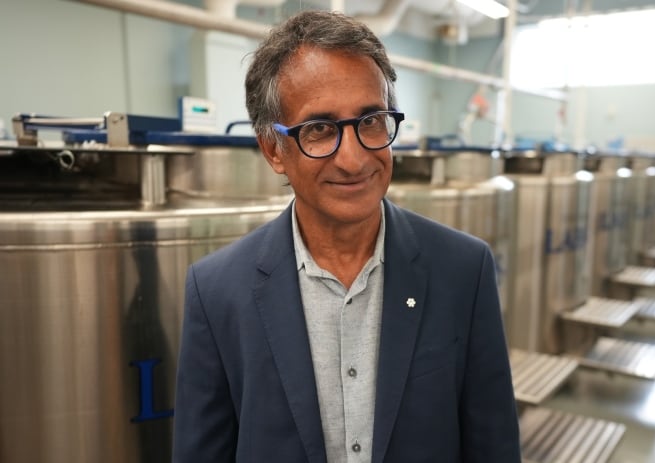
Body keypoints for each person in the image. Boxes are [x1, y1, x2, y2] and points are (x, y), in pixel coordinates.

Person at [173, 10, 520, 463]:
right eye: (319, 129)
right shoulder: (218, 290)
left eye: (371, 120)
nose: (354, 160)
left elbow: (492, 444)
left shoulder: (462, 269)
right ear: (273, 149)